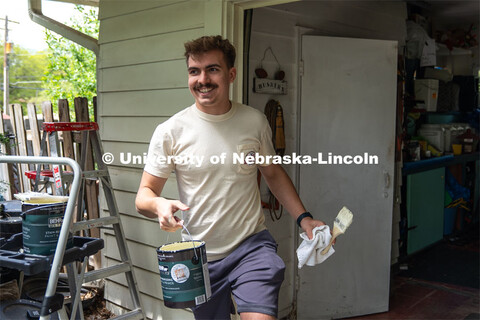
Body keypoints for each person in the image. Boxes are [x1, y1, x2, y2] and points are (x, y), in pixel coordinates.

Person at [136, 35, 326, 320]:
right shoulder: (170, 132)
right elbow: (144, 196)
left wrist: (304, 217)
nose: (203, 79)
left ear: (231, 74)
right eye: (194, 71)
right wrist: (159, 205)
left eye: (212, 69)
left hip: (251, 245)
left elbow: (272, 174)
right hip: (200, 258)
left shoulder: (254, 121)